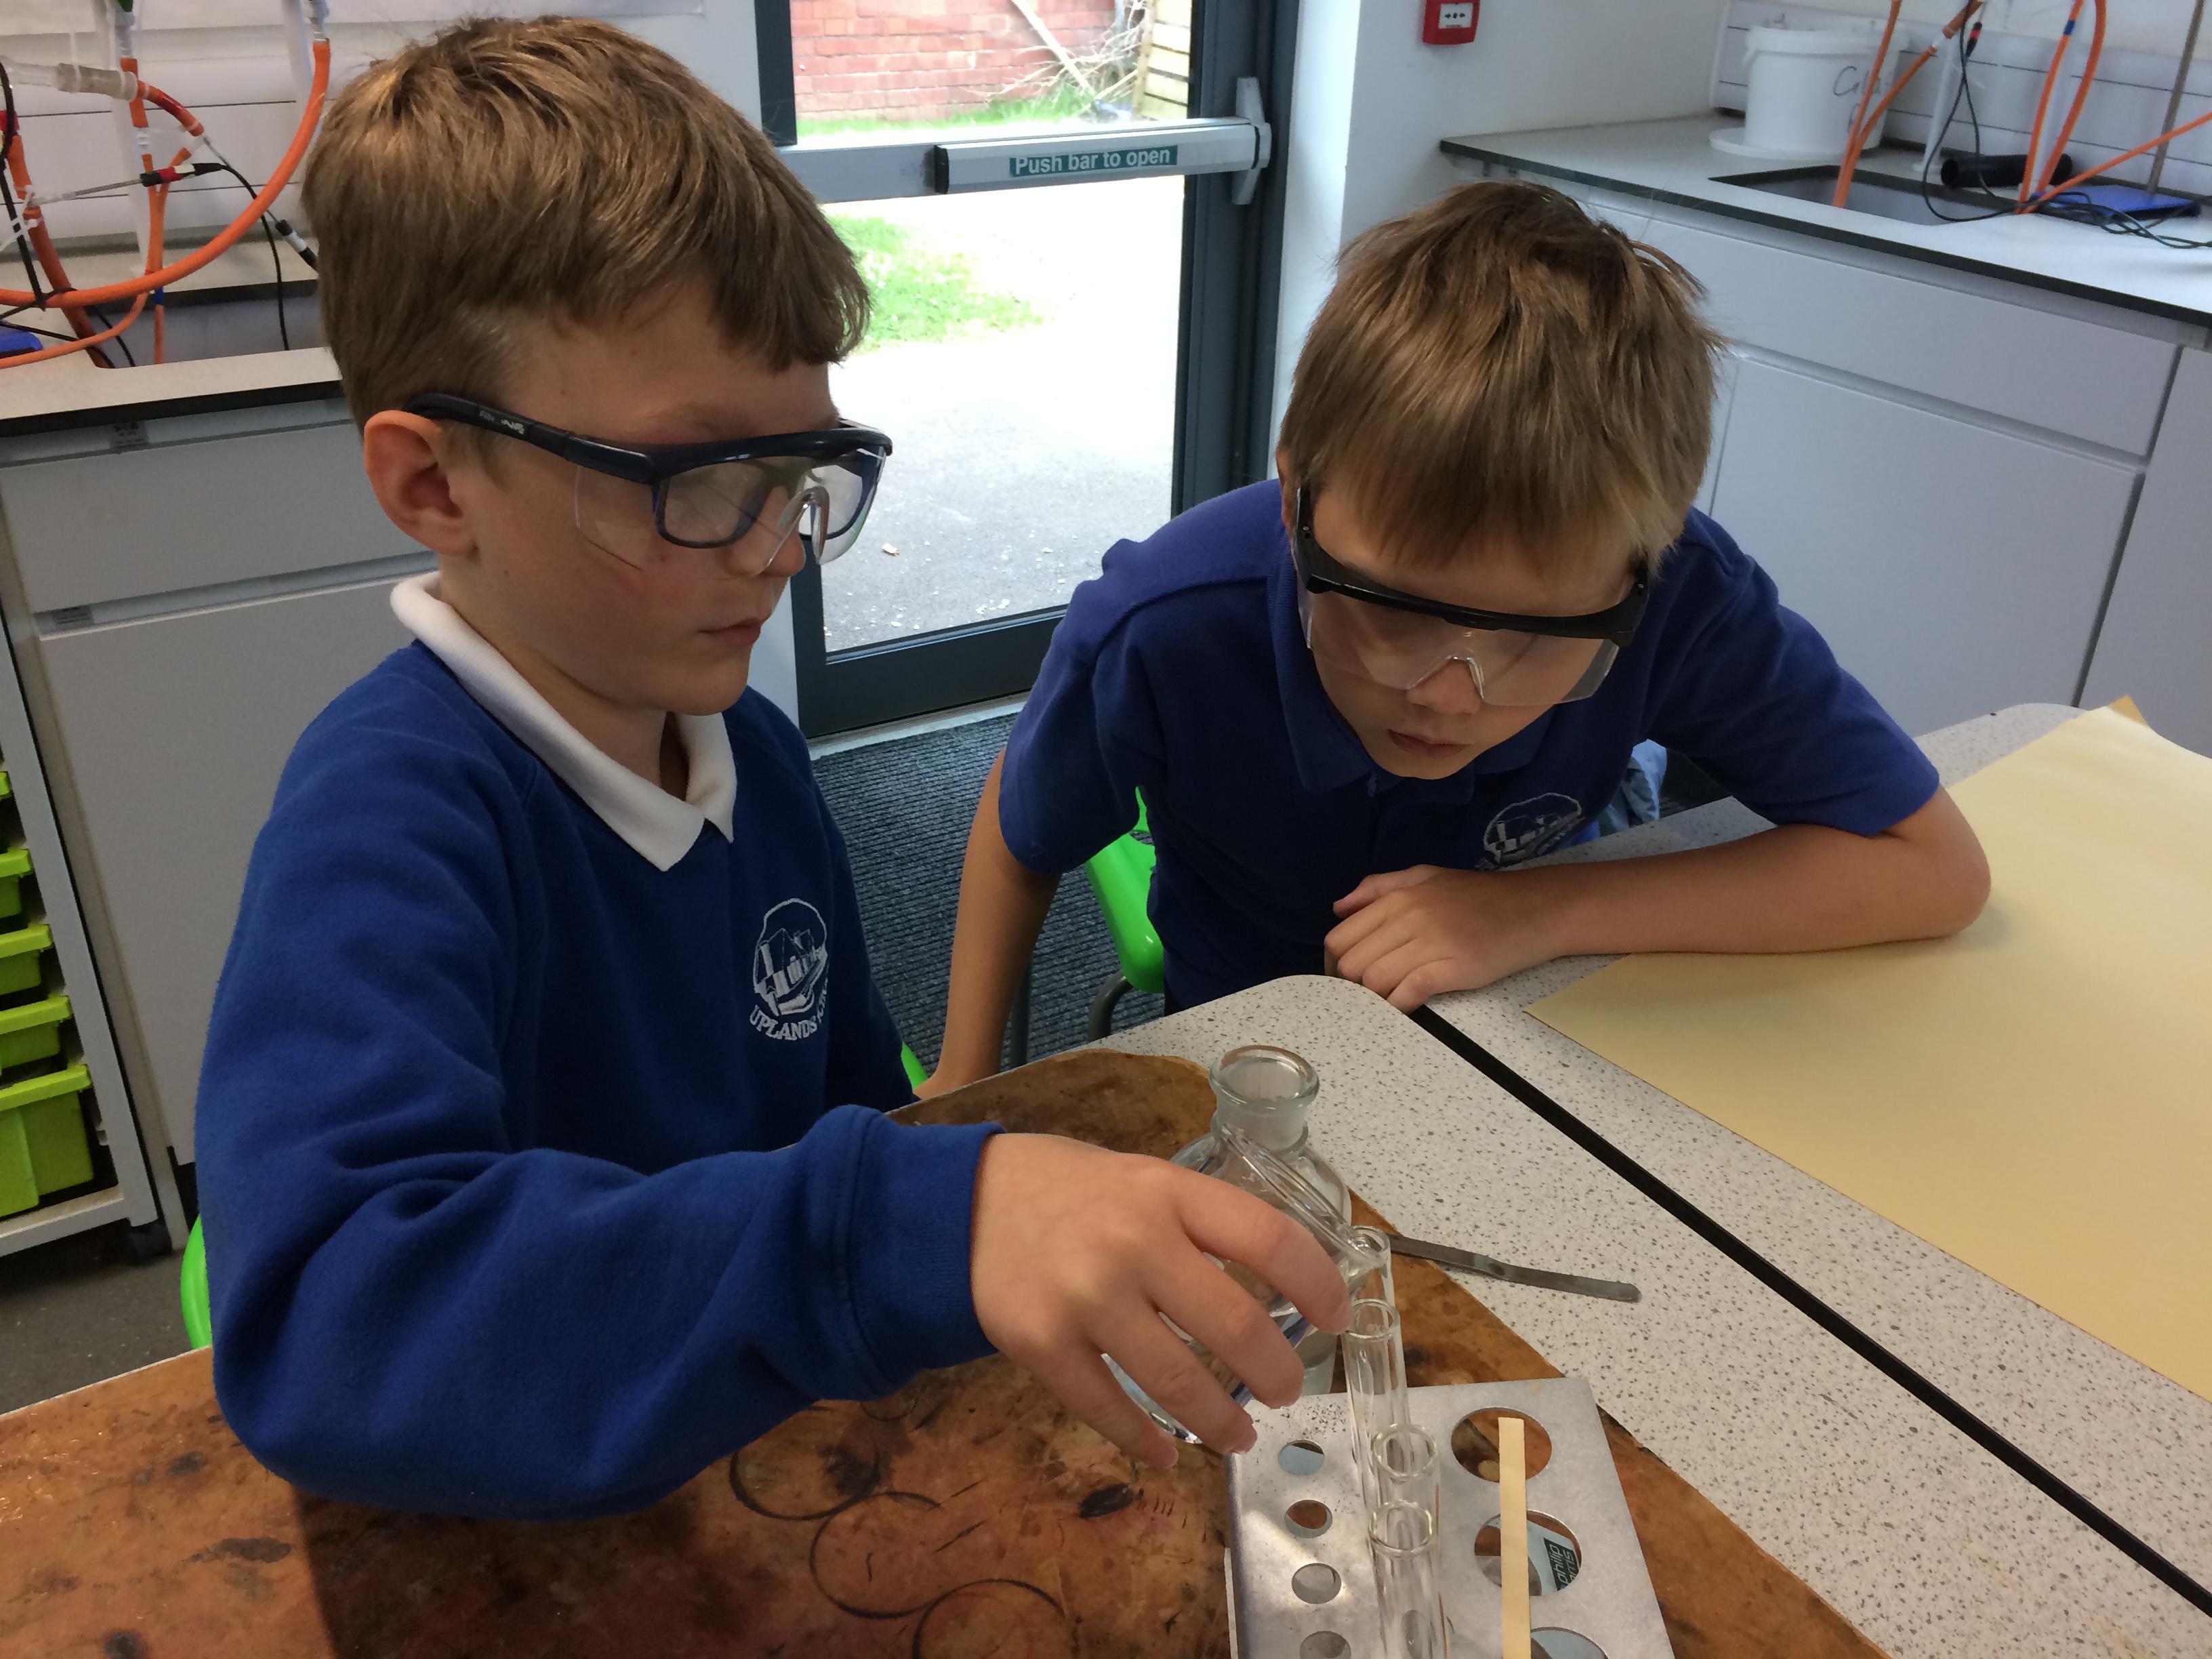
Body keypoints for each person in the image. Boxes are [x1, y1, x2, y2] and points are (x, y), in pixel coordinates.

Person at [193, 16, 1345, 1521]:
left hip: (760, 1478)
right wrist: (898, 1230)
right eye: (696, 481)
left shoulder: (757, 760)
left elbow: (856, 1116)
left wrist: (960, 1221)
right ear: (434, 483)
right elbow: (331, 1326)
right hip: (520, 1537)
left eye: (802, 476)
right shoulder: (388, 819)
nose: (773, 552)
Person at [928, 180, 1988, 1090]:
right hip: (1257, 1023)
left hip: (1544, 1009)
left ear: (1646, 561)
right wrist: (963, 1079)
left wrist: (1531, 911)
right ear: (1297, 498)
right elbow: (1024, 830)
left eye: (1539, 637)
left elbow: (1935, 869)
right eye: (1390, 610)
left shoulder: (1681, 591)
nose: (1448, 695)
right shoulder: (1163, 625)